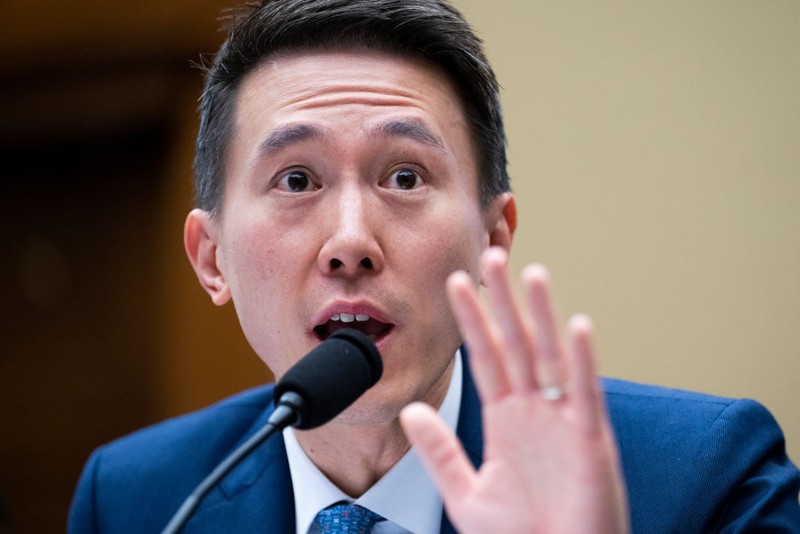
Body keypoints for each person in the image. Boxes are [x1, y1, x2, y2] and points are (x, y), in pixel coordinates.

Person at [68, 1, 800, 532]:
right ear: (211, 259)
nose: (351, 241)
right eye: (296, 180)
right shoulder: (137, 499)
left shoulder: (707, 478)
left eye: (406, 177)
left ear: (492, 238)